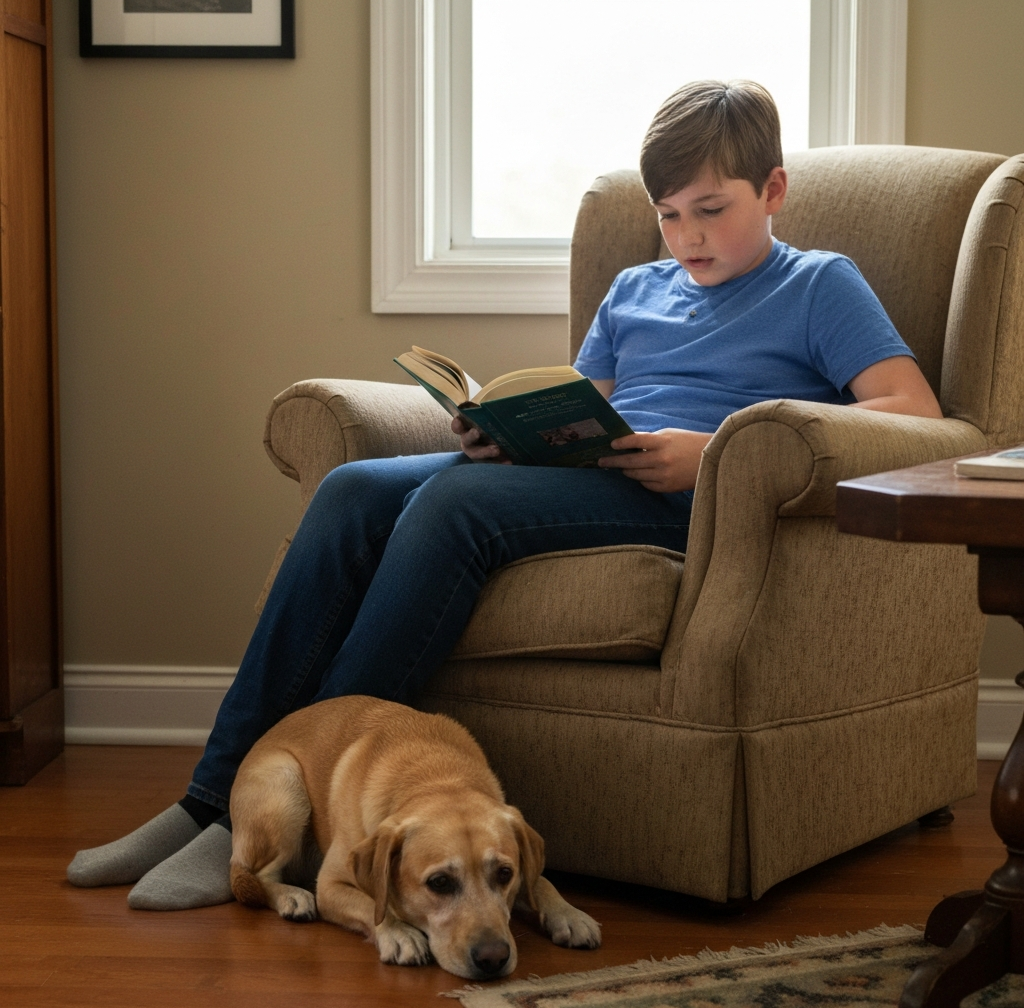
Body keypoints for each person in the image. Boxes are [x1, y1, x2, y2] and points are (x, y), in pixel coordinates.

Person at [67, 80, 941, 910]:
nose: (688, 237)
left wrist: (710, 454)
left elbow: (915, 412)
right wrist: (504, 434)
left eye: (712, 211)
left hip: (699, 503)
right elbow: (584, 412)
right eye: (670, 216)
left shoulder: (819, 283)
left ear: (773, 188)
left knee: (456, 510)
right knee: (352, 491)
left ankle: (280, 819)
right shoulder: (635, 289)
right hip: (597, 476)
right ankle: (212, 801)